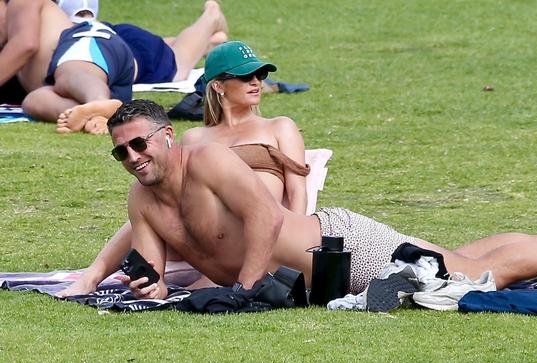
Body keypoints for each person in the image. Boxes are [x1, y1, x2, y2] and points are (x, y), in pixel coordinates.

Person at [101, 99, 537, 300]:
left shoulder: (209, 161)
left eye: (138, 144)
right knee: (466, 259)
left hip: (345, 248)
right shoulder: (142, 201)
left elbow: (268, 217)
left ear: (166, 136)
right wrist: (143, 281)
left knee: (472, 279)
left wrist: (244, 291)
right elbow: (151, 267)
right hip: (328, 273)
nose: (132, 158)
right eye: (121, 153)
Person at [56, 41, 310, 297]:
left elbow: (297, 190)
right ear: (218, 85)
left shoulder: (279, 126)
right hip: (206, 233)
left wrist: (288, 240)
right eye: (245, 76)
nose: (256, 82)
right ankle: (94, 274)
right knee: (148, 203)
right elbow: (173, 195)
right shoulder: (195, 138)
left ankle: (97, 274)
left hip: (265, 229)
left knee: (149, 205)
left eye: (260, 75)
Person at [55, 0, 229, 134]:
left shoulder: (57, 33)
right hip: (110, 33)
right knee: (167, 51)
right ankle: (209, 43)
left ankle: (211, 16)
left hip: (108, 46)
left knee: (178, 62)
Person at [0, 0, 135, 134]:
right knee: (34, 101)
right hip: (89, 76)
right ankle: (96, 115)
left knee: (69, 76)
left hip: (86, 40)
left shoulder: (21, 2)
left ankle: (98, 100)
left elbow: (25, 45)